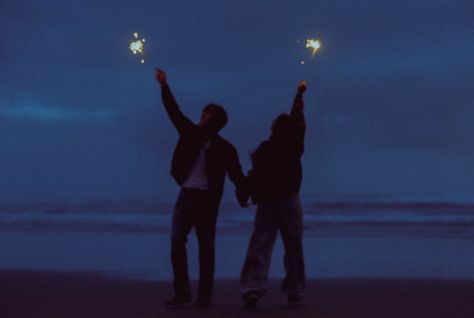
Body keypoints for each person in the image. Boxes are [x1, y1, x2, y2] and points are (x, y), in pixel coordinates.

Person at [155, 69, 248, 308]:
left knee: (206, 249)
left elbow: (237, 176)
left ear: (214, 120)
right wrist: (164, 86)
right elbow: (173, 112)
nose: (202, 115)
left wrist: (247, 193)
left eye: (207, 113)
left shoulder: (225, 148)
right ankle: (183, 293)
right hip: (186, 195)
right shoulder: (190, 133)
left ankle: (204, 296)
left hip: (207, 201)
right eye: (204, 112)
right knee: (177, 243)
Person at [240, 81, 307, 310]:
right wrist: (298, 96)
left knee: (262, 245)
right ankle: (293, 291)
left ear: (275, 127)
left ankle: (253, 290)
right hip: (284, 199)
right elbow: (298, 120)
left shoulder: (272, 147)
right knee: (291, 246)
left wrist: (298, 95)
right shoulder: (287, 146)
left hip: (275, 200)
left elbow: (297, 119)